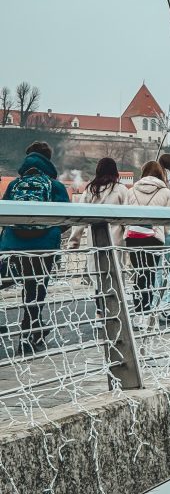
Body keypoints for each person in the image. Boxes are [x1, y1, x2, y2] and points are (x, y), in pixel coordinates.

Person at [0, 145, 70, 353]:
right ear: (49, 159)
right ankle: (28, 335)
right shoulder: (55, 186)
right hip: (43, 246)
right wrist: (51, 231)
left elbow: (5, 213)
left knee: (26, 286)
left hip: (15, 245)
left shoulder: (14, 184)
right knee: (36, 290)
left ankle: (35, 329)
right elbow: (66, 219)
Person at [125, 161, 170, 314]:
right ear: (161, 174)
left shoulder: (131, 190)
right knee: (150, 272)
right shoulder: (166, 192)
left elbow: (124, 214)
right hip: (154, 237)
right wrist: (165, 232)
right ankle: (146, 310)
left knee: (138, 272)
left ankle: (138, 308)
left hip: (133, 235)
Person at [67, 157, 129, 252]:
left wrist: (73, 243)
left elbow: (80, 216)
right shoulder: (121, 189)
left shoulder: (90, 190)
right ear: (115, 171)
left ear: (98, 171)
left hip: (94, 238)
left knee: (96, 261)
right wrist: (127, 238)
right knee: (116, 260)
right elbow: (127, 217)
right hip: (116, 239)